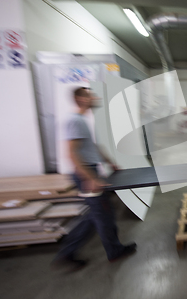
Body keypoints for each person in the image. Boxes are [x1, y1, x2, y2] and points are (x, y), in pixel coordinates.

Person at [53, 87, 136, 270]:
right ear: (81, 99)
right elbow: (72, 153)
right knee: (103, 214)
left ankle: (67, 252)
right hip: (86, 174)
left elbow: (92, 147)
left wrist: (110, 162)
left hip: (90, 171)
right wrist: (90, 178)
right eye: (90, 95)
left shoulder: (83, 120)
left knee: (95, 216)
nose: (95, 97)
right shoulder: (75, 120)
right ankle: (112, 251)